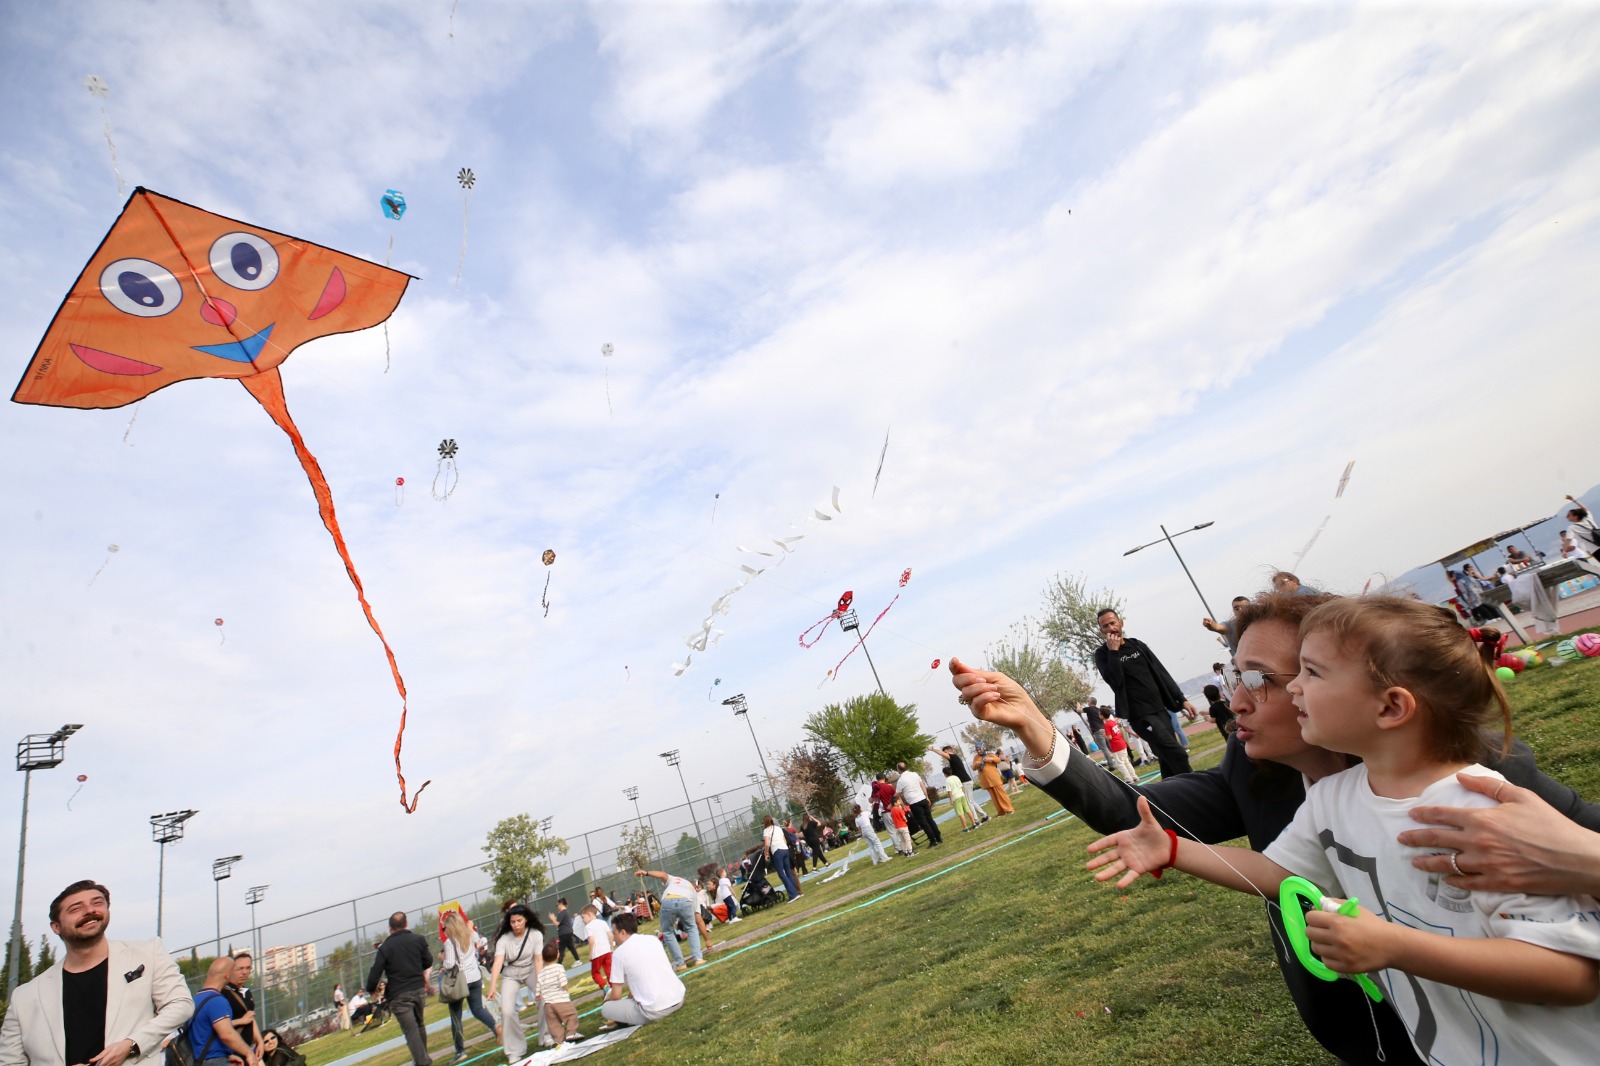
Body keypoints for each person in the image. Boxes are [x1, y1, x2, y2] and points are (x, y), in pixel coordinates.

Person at [952, 591, 1600, 1066]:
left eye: (1262, 679)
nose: (1234, 700)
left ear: (1389, 703)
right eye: (1234, 675)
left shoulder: (1481, 783)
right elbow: (1154, 822)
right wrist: (1038, 731)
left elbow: (1571, 948)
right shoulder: (1263, 768)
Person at [0, 880, 193, 1066]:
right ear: (56, 926)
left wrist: (132, 1045)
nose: (90, 910)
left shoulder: (148, 952)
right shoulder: (24, 997)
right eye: (76, 908)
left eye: (97, 902)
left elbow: (180, 1005)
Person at [1092, 608, 1195, 778]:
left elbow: (1161, 673)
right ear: (1102, 631)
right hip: (1140, 715)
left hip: (1160, 710)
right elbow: (1115, 681)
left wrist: (1182, 700)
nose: (1110, 628)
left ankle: (1168, 798)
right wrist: (1113, 651)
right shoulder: (1103, 654)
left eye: (1113, 623)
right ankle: (1196, 788)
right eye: (1105, 626)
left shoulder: (1137, 645)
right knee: (1177, 753)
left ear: (1121, 623)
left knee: (1167, 759)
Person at [365, 912, 433, 1066]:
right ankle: (422, 1059)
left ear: (390, 928)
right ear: (406, 923)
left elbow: (376, 971)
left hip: (399, 994)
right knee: (419, 1024)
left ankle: (423, 1062)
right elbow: (428, 961)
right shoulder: (418, 940)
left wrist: (371, 989)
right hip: (418, 989)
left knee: (411, 1030)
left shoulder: (385, 948)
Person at [600, 913, 685, 1029]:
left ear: (623, 932)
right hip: (678, 998)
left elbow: (616, 995)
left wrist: (608, 1000)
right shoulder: (653, 940)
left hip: (655, 1010)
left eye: (615, 934)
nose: (614, 938)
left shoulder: (619, 954)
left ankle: (626, 1021)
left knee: (606, 1008)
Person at [484, 904, 542, 1062]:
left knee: (544, 999)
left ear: (526, 920)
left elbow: (538, 960)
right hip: (511, 973)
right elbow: (497, 962)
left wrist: (540, 983)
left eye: (519, 921)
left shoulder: (535, 935)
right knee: (507, 1011)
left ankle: (546, 1036)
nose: (516, 925)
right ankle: (515, 1050)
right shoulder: (504, 939)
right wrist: (492, 986)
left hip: (530, 969)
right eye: (512, 922)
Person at [441, 910, 497, 1063]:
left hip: (460, 981)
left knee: (456, 1016)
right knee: (478, 1009)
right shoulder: (470, 935)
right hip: (475, 978)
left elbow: (450, 963)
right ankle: (496, 1028)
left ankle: (460, 1051)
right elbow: (479, 944)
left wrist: (443, 962)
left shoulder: (450, 942)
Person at [184, 959, 256, 1066]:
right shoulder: (217, 1001)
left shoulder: (196, 1000)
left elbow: (202, 1036)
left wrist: (228, 1055)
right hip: (214, 1061)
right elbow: (227, 1035)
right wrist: (249, 1053)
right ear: (227, 975)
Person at [633, 869, 705, 971]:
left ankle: (680, 964)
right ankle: (698, 958)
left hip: (668, 900)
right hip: (686, 900)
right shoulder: (691, 889)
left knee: (667, 932)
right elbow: (697, 916)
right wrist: (707, 940)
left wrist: (646, 873)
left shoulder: (674, 879)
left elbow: (662, 874)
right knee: (692, 927)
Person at [534, 943, 579, 1045]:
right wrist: (566, 990)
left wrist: (538, 994)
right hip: (560, 1000)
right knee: (571, 1015)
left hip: (547, 1004)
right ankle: (571, 1032)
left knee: (553, 1024)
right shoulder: (559, 968)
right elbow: (563, 983)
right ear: (558, 955)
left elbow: (538, 985)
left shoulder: (541, 972)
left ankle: (559, 1040)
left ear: (543, 959)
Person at [893, 762, 943, 846]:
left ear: (898, 769)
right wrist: (926, 796)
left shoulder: (901, 780)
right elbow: (922, 785)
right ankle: (938, 837)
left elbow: (897, 793)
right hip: (922, 798)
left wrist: (893, 799)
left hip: (914, 802)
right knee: (930, 819)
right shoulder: (914, 774)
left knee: (923, 822)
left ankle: (932, 840)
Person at [222, 954, 260, 1058]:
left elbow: (250, 1018)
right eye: (240, 968)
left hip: (247, 1051)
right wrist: (241, 1021)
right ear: (230, 970)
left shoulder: (246, 992)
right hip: (231, 1053)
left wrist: (259, 1041)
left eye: (248, 968)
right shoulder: (223, 994)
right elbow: (218, 1026)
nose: (244, 972)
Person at [761, 816, 802, 901]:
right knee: (788, 872)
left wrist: (766, 853)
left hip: (777, 851)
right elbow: (785, 841)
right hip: (785, 849)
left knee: (781, 874)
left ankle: (793, 894)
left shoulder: (766, 831)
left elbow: (767, 844)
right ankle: (796, 892)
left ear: (765, 822)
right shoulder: (778, 828)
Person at [580, 904, 613, 991]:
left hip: (597, 953)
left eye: (583, 917)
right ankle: (613, 986)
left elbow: (591, 941)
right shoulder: (603, 923)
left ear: (590, 914)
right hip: (607, 950)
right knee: (609, 970)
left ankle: (605, 987)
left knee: (595, 973)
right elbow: (610, 935)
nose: (583, 920)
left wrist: (590, 954)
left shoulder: (588, 927)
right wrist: (611, 948)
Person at [973, 749, 1014, 815]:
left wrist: (991, 759)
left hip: (994, 778)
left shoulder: (990, 754)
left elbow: (998, 760)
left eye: (980, 749)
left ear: (982, 748)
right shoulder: (976, 757)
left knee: (1001, 795)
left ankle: (1009, 809)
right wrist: (976, 764)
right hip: (985, 780)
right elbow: (973, 768)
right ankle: (1000, 812)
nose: (979, 751)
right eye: (977, 750)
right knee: (994, 797)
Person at [1099, 715, 1138, 786]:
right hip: (1122, 743)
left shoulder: (1107, 724)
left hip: (1116, 745)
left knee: (1120, 764)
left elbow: (1109, 737)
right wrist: (1105, 731)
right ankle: (1134, 776)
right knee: (1126, 762)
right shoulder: (1112, 721)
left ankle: (1128, 779)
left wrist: (1104, 734)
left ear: (1102, 716)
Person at [546, 899, 581, 966]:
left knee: (561, 949)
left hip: (564, 933)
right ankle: (577, 960)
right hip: (568, 931)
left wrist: (552, 918)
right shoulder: (565, 912)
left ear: (561, 904)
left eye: (557, 905)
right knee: (571, 947)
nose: (557, 907)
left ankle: (559, 964)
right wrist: (554, 918)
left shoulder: (562, 912)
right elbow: (559, 922)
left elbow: (556, 923)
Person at [1077, 700, 1108, 765]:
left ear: (1091, 702)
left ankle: (1111, 763)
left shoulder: (1089, 709)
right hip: (1103, 729)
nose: (1087, 702)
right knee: (1107, 746)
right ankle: (1112, 759)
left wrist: (1078, 705)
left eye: (1088, 701)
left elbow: (1078, 710)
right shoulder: (1098, 709)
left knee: (1103, 748)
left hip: (1097, 731)